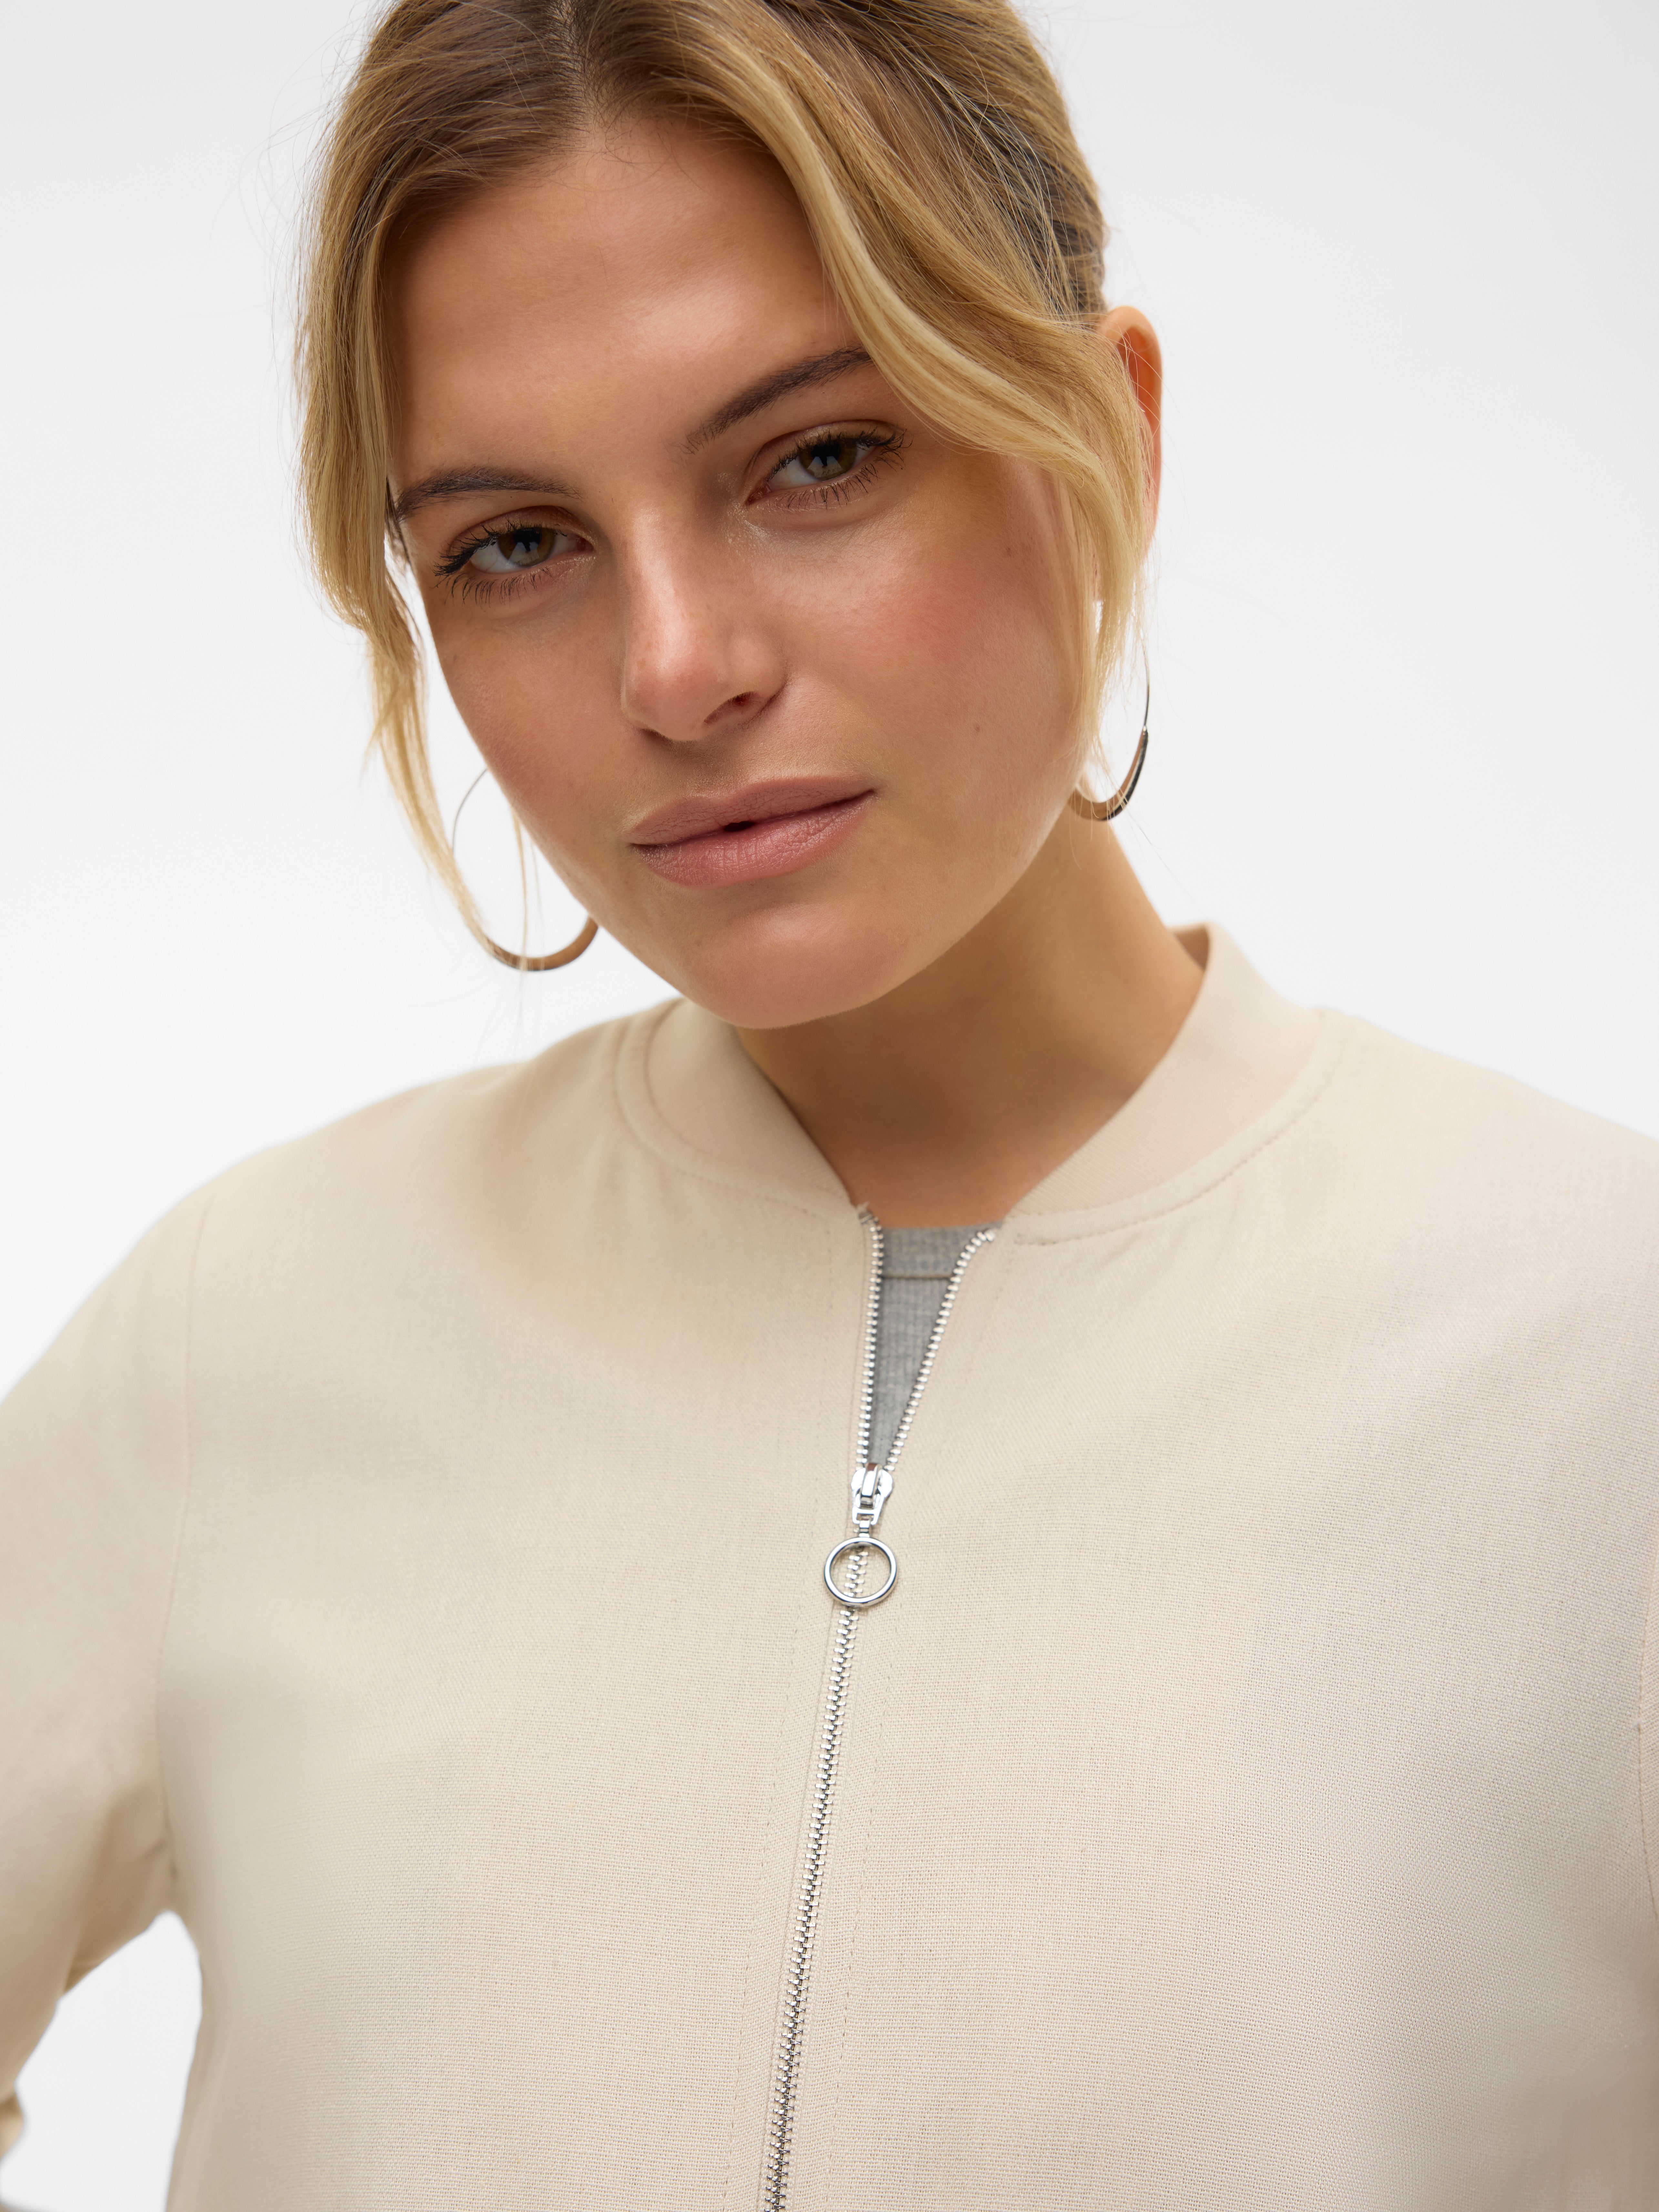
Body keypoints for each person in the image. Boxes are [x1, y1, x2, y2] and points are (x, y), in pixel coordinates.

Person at [2, 0, 1656, 2203]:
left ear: (1104, 431)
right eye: (514, 543)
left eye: (815, 458)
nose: (676, 667)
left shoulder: (1600, 1349)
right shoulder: (252, 1329)